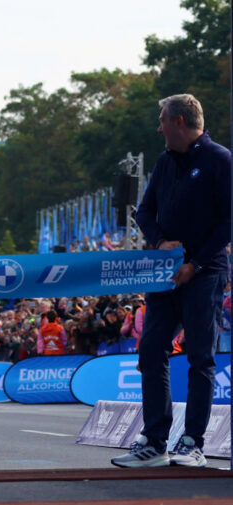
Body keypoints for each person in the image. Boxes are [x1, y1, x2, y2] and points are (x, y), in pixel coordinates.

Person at [112, 94, 230, 469]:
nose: (158, 126)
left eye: (162, 119)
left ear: (179, 121)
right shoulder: (165, 162)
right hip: (164, 275)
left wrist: (194, 263)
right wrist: (161, 242)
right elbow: (144, 212)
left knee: (201, 357)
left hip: (205, 273)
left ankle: (192, 441)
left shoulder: (219, 160)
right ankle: (154, 440)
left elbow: (228, 221)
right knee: (151, 351)